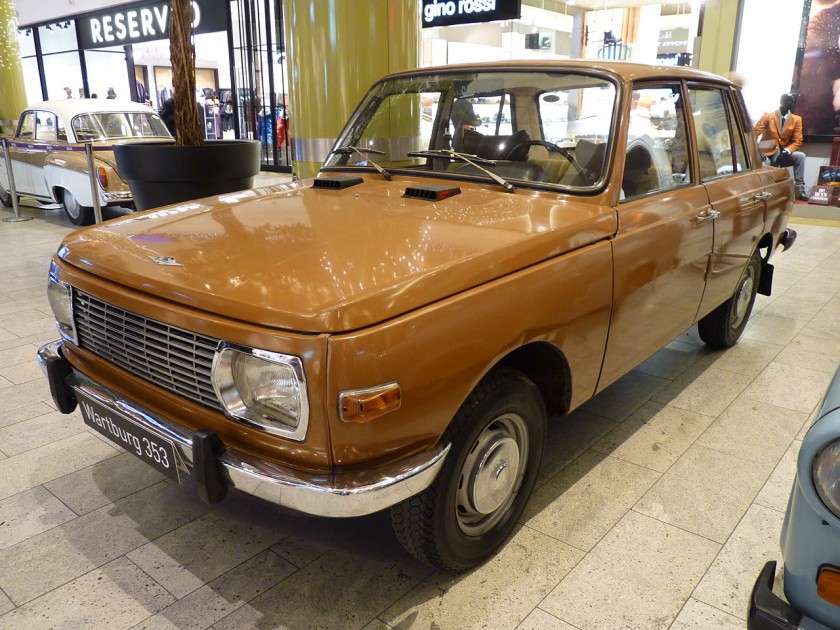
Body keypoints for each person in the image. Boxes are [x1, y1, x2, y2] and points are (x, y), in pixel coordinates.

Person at [754, 93, 809, 200]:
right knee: (766, 163)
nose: (791, 103)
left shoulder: (796, 119)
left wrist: (788, 151)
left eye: (792, 101)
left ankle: (799, 190)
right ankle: (765, 191)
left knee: (800, 156)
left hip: (783, 154)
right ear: (781, 101)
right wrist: (757, 151)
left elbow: (798, 141)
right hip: (767, 153)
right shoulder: (768, 116)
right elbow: (753, 135)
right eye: (788, 101)